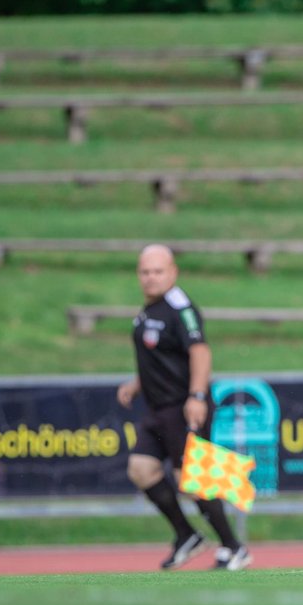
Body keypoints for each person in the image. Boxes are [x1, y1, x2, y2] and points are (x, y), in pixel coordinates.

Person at [116, 244, 251, 571]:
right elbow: (160, 356)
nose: (150, 278)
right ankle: (186, 535)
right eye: (145, 272)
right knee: (141, 469)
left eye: (157, 271)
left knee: (193, 478)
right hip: (156, 408)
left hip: (182, 406)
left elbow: (200, 353)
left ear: (173, 272)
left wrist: (197, 396)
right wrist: (138, 383)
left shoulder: (180, 308)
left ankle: (234, 548)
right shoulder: (150, 308)